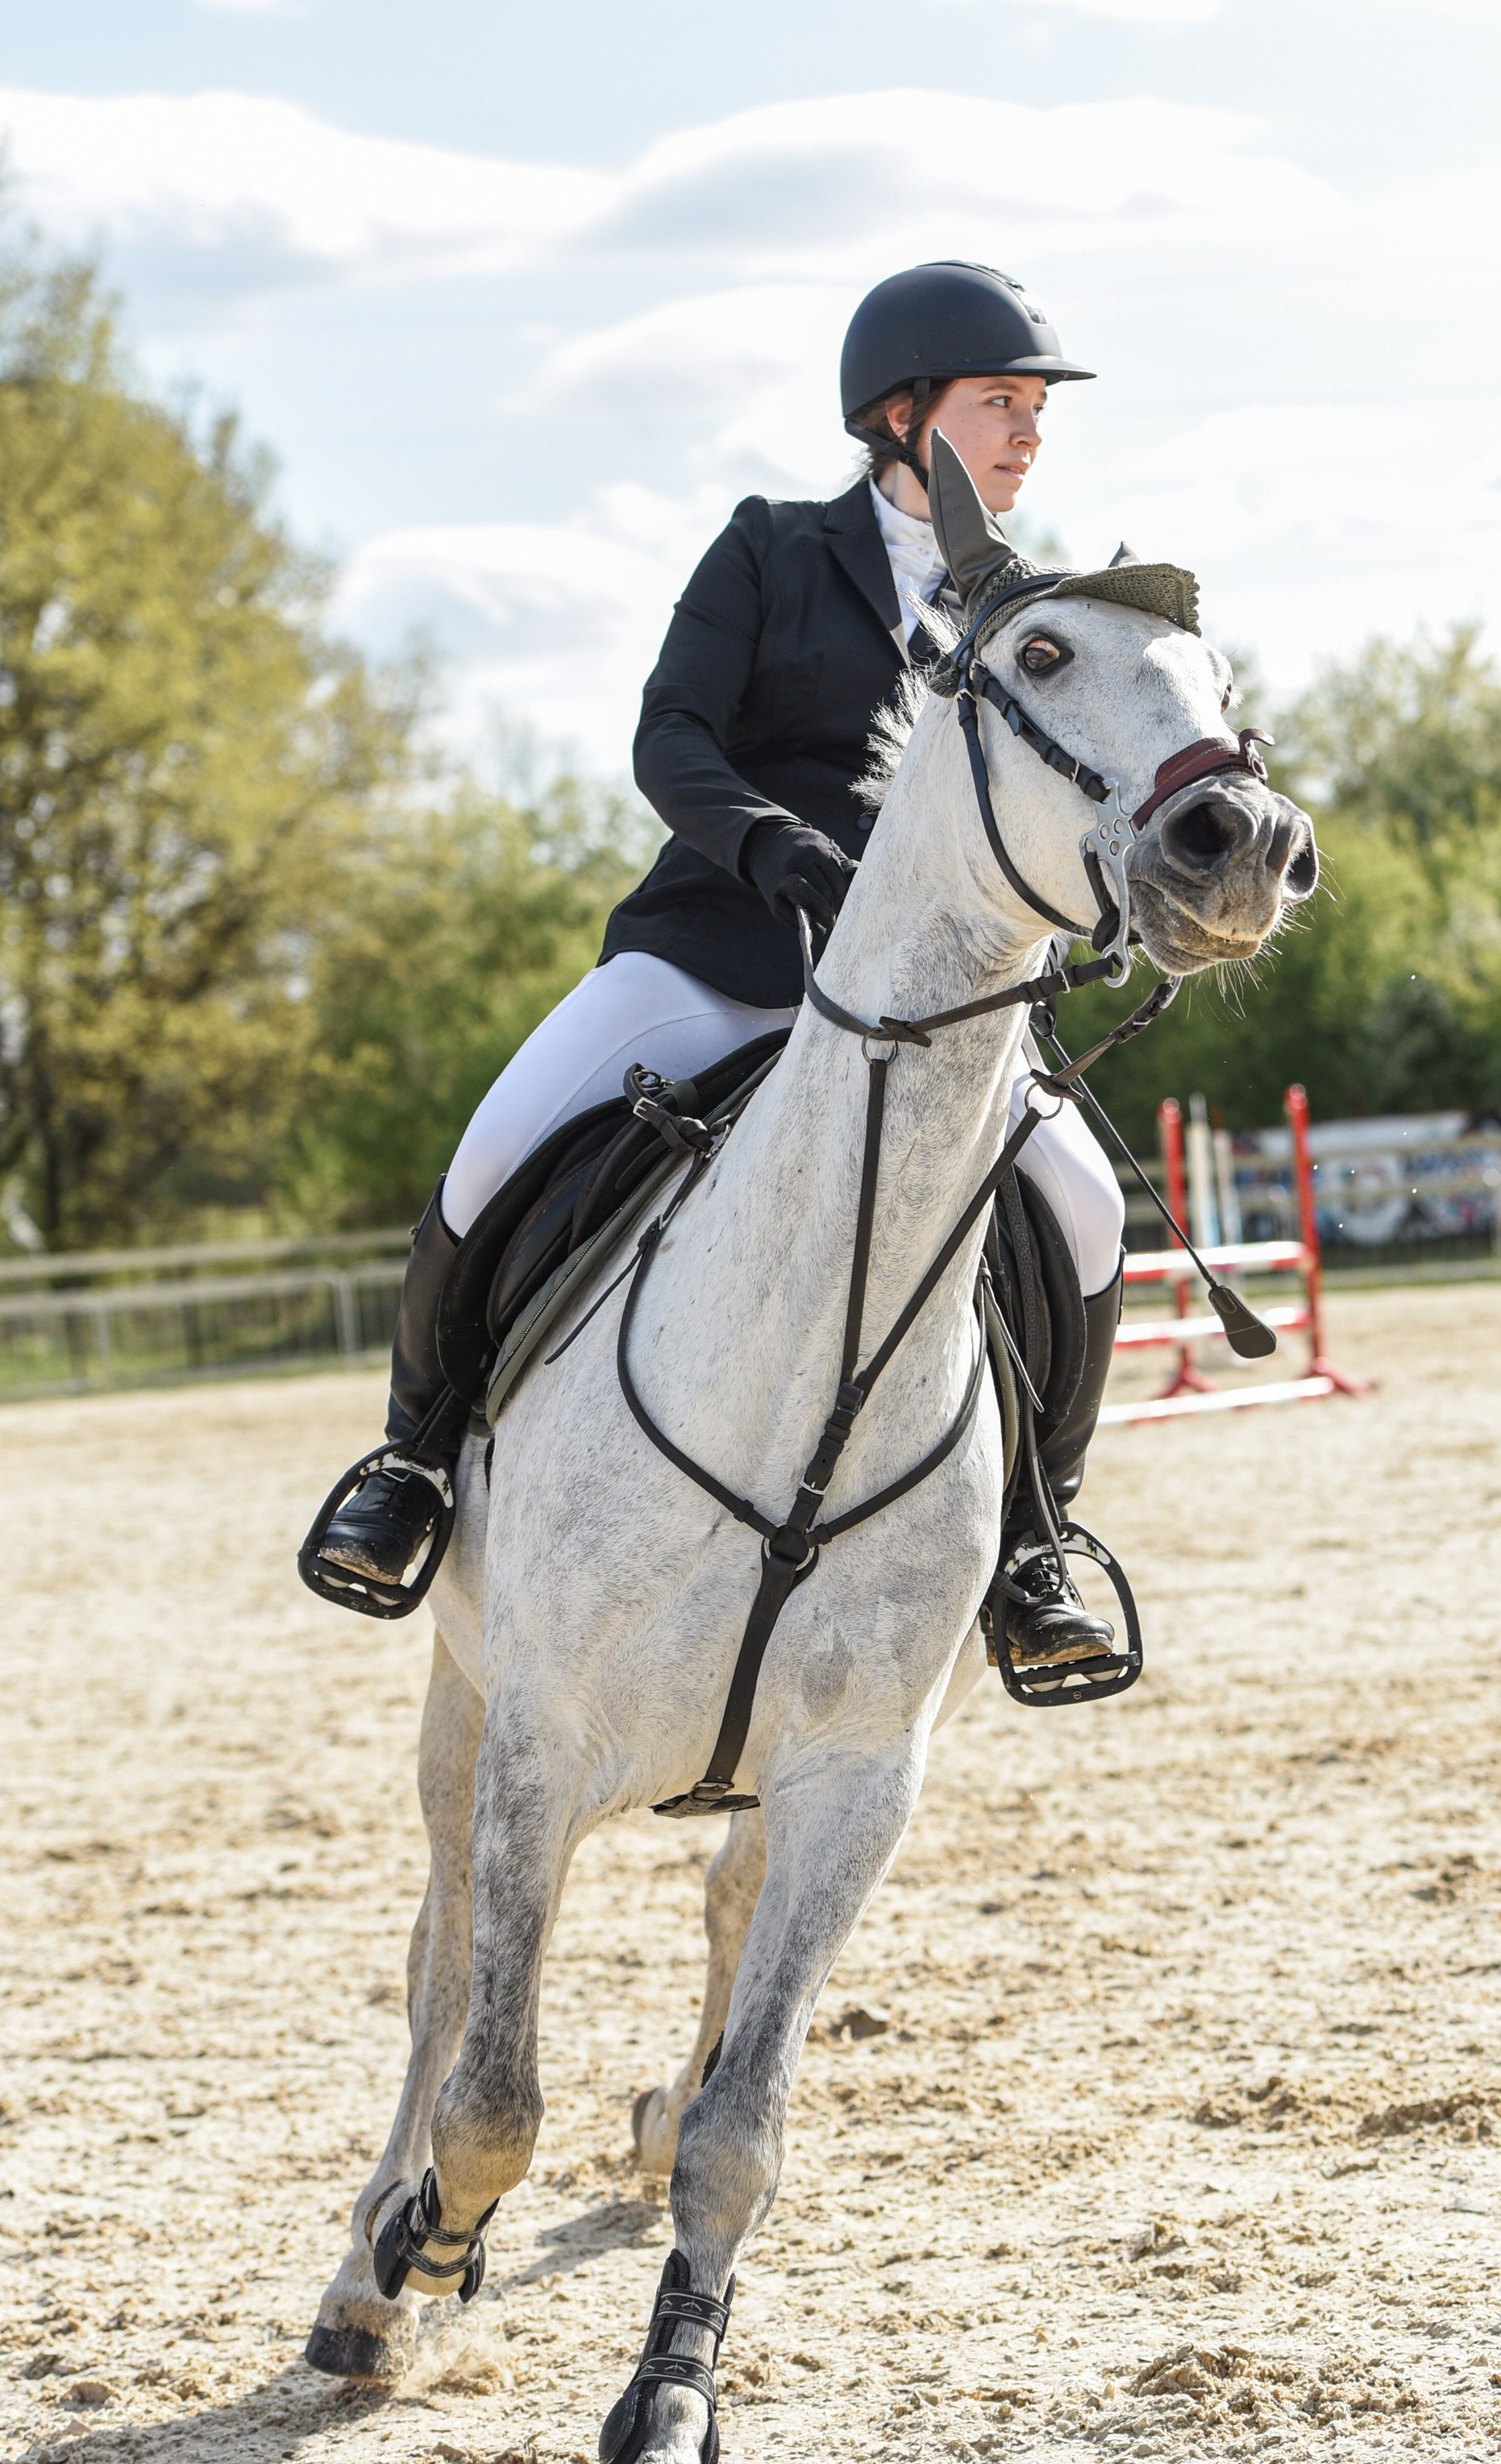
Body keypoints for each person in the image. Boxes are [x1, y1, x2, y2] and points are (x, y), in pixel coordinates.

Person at [312, 260, 1129, 1667]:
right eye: (1002, 402)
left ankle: (1040, 1540)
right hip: (720, 951)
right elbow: (671, 736)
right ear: (901, 414)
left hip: (930, 1004)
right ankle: (415, 1462)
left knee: (1087, 1201)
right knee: (496, 1147)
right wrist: (779, 851)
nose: (1029, 432)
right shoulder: (769, 549)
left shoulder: (1039, 611)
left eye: (1035, 409)